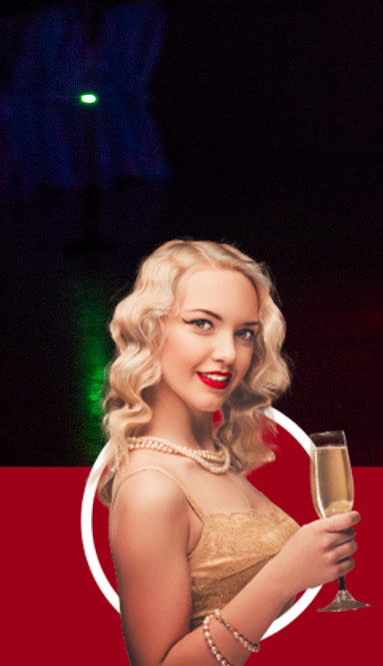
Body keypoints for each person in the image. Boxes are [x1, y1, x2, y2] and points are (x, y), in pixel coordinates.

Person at [99, 240, 359, 666]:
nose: (228, 354)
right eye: (202, 323)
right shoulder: (152, 491)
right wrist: (282, 577)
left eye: (244, 333)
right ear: (150, 328)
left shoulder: (216, 459)